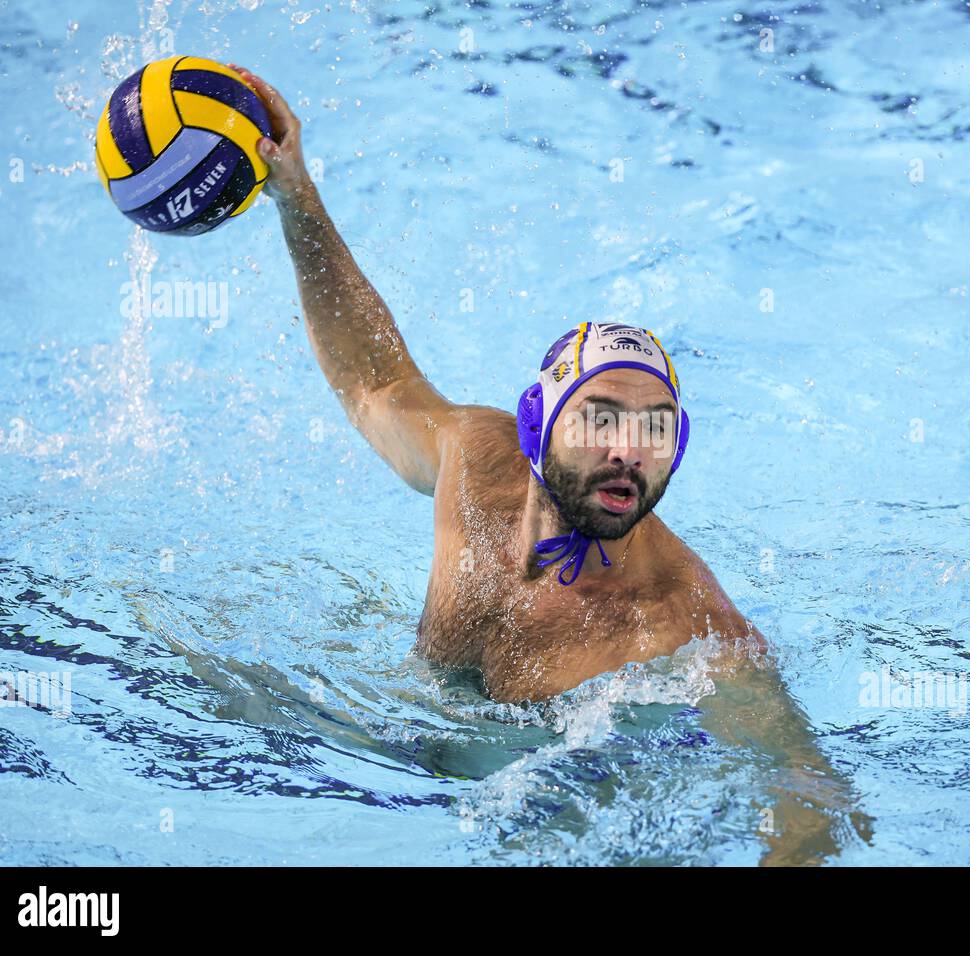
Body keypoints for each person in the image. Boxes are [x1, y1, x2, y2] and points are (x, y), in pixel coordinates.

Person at [231, 65, 872, 864]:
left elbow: (814, 798)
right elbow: (373, 381)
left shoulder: (680, 620)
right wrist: (296, 199)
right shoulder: (476, 459)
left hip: (564, 803)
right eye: (602, 421)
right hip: (403, 750)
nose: (627, 452)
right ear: (535, 431)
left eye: (656, 430)